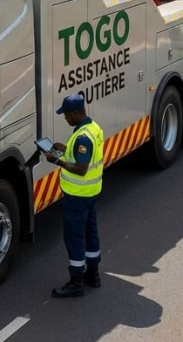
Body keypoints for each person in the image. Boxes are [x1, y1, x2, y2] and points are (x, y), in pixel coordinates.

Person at [43, 93, 104, 298]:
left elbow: (80, 168)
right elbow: (82, 155)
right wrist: (66, 148)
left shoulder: (83, 138)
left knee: (75, 237)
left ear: (77, 112)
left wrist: (56, 161)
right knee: (90, 232)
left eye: (67, 114)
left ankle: (76, 281)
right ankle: (93, 275)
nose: (65, 118)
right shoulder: (92, 128)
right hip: (91, 193)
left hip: (78, 195)